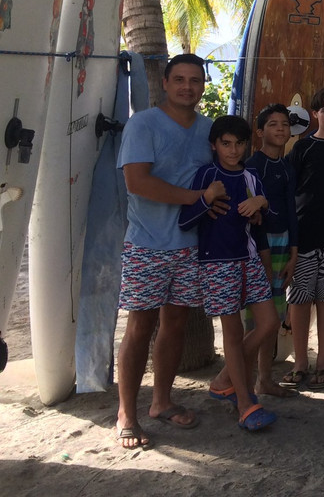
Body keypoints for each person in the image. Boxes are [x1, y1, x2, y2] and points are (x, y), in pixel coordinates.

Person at [114, 53, 220, 448]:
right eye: (180, 79)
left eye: (195, 80)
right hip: (146, 245)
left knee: (174, 325)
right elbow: (137, 182)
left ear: (203, 86)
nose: (187, 87)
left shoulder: (210, 130)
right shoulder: (143, 124)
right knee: (139, 327)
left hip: (191, 247)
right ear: (165, 83)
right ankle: (127, 412)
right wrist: (197, 198)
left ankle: (161, 402)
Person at [180, 116, 278, 431]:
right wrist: (206, 199)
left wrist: (260, 203)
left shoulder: (251, 177)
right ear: (214, 145)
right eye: (226, 143)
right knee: (232, 334)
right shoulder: (206, 175)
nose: (233, 150)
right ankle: (246, 405)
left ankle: (225, 379)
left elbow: (265, 219)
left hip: (248, 259)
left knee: (269, 323)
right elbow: (185, 220)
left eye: (238, 143)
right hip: (216, 263)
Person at [281, 87, 324, 390]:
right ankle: (300, 360)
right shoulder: (302, 148)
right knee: (299, 300)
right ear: (315, 114)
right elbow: (288, 194)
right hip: (303, 237)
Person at [246, 103, 300, 396]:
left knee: (274, 317)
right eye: (272, 124)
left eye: (284, 124)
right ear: (260, 131)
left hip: (283, 246)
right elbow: (255, 221)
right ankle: (241, 381)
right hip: (257, 247)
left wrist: (293, 251)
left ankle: (264, 379)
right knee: (254, 318)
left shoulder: (288, 167)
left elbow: (291, 211)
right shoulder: (253, 167)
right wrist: (264, 258)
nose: (280, 129)